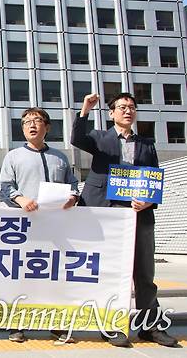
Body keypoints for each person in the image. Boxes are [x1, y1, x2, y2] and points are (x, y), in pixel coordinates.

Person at [71, 92, 178, 348]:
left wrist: (149, 201)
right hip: (107, 213)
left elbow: (154, 179)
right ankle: (110, 324)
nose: (128, 111)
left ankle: (150, 326)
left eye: (132, 107)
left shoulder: (146, 144)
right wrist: (85, 109)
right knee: (108, 270)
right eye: (122, 107)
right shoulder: (99, 138)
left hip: (139, 215)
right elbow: (76, 138)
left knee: (144, 272)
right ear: (111, 113)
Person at [0, 107, 79, 344]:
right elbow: (4, 188)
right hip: (24, 228)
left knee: (54, 277)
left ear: (47, 127)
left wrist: (73, 197)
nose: (31, 125)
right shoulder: (13, 156)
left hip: (56, 227)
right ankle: (17, 324)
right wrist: (21, 199)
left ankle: (56, 324)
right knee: (21, 275)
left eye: (37, 120)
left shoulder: (60, 157)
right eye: (26, 122)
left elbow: (73, 184)